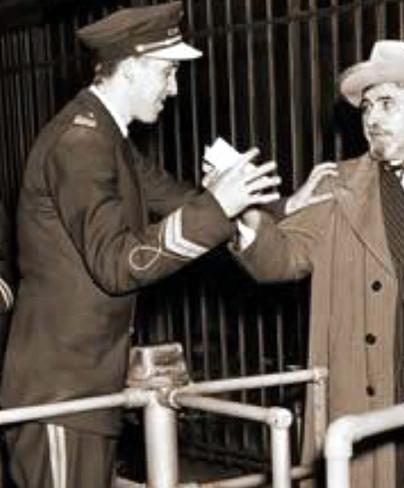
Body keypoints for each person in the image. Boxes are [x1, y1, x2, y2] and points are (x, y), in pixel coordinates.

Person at [0, 3, 283, 487]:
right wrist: (216, 208)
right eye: (168, 72)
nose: (174, 88)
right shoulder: (81, 143)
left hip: (85, 390)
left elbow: (178, 198)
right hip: (62, 396)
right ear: (130, 68)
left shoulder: (109, 136)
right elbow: (117, 263)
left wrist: (283, 210)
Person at [228, 40, 404, 488]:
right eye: (366, 108)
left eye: (387, 103)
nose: (372, 119)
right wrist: (248, 219)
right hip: (372, 400)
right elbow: (280, 260)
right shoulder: (336, 185)